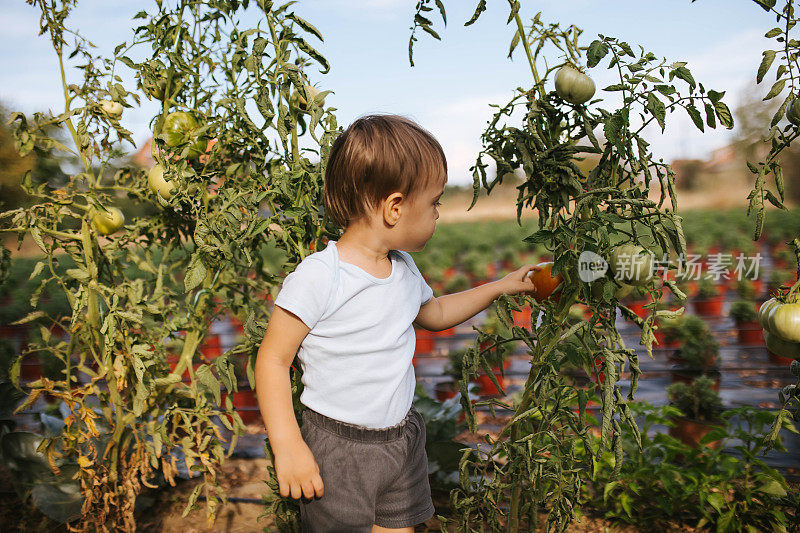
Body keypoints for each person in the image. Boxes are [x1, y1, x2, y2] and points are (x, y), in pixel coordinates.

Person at [254, 113, 541, 532]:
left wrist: (498, 287)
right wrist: (288, 445)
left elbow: (436, 313)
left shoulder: (403, 269)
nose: (438, 215)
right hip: (339, 447)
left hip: (401, 438)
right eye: (434, 203)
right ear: (394, 207)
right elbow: (273, 362)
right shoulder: (321, 276)